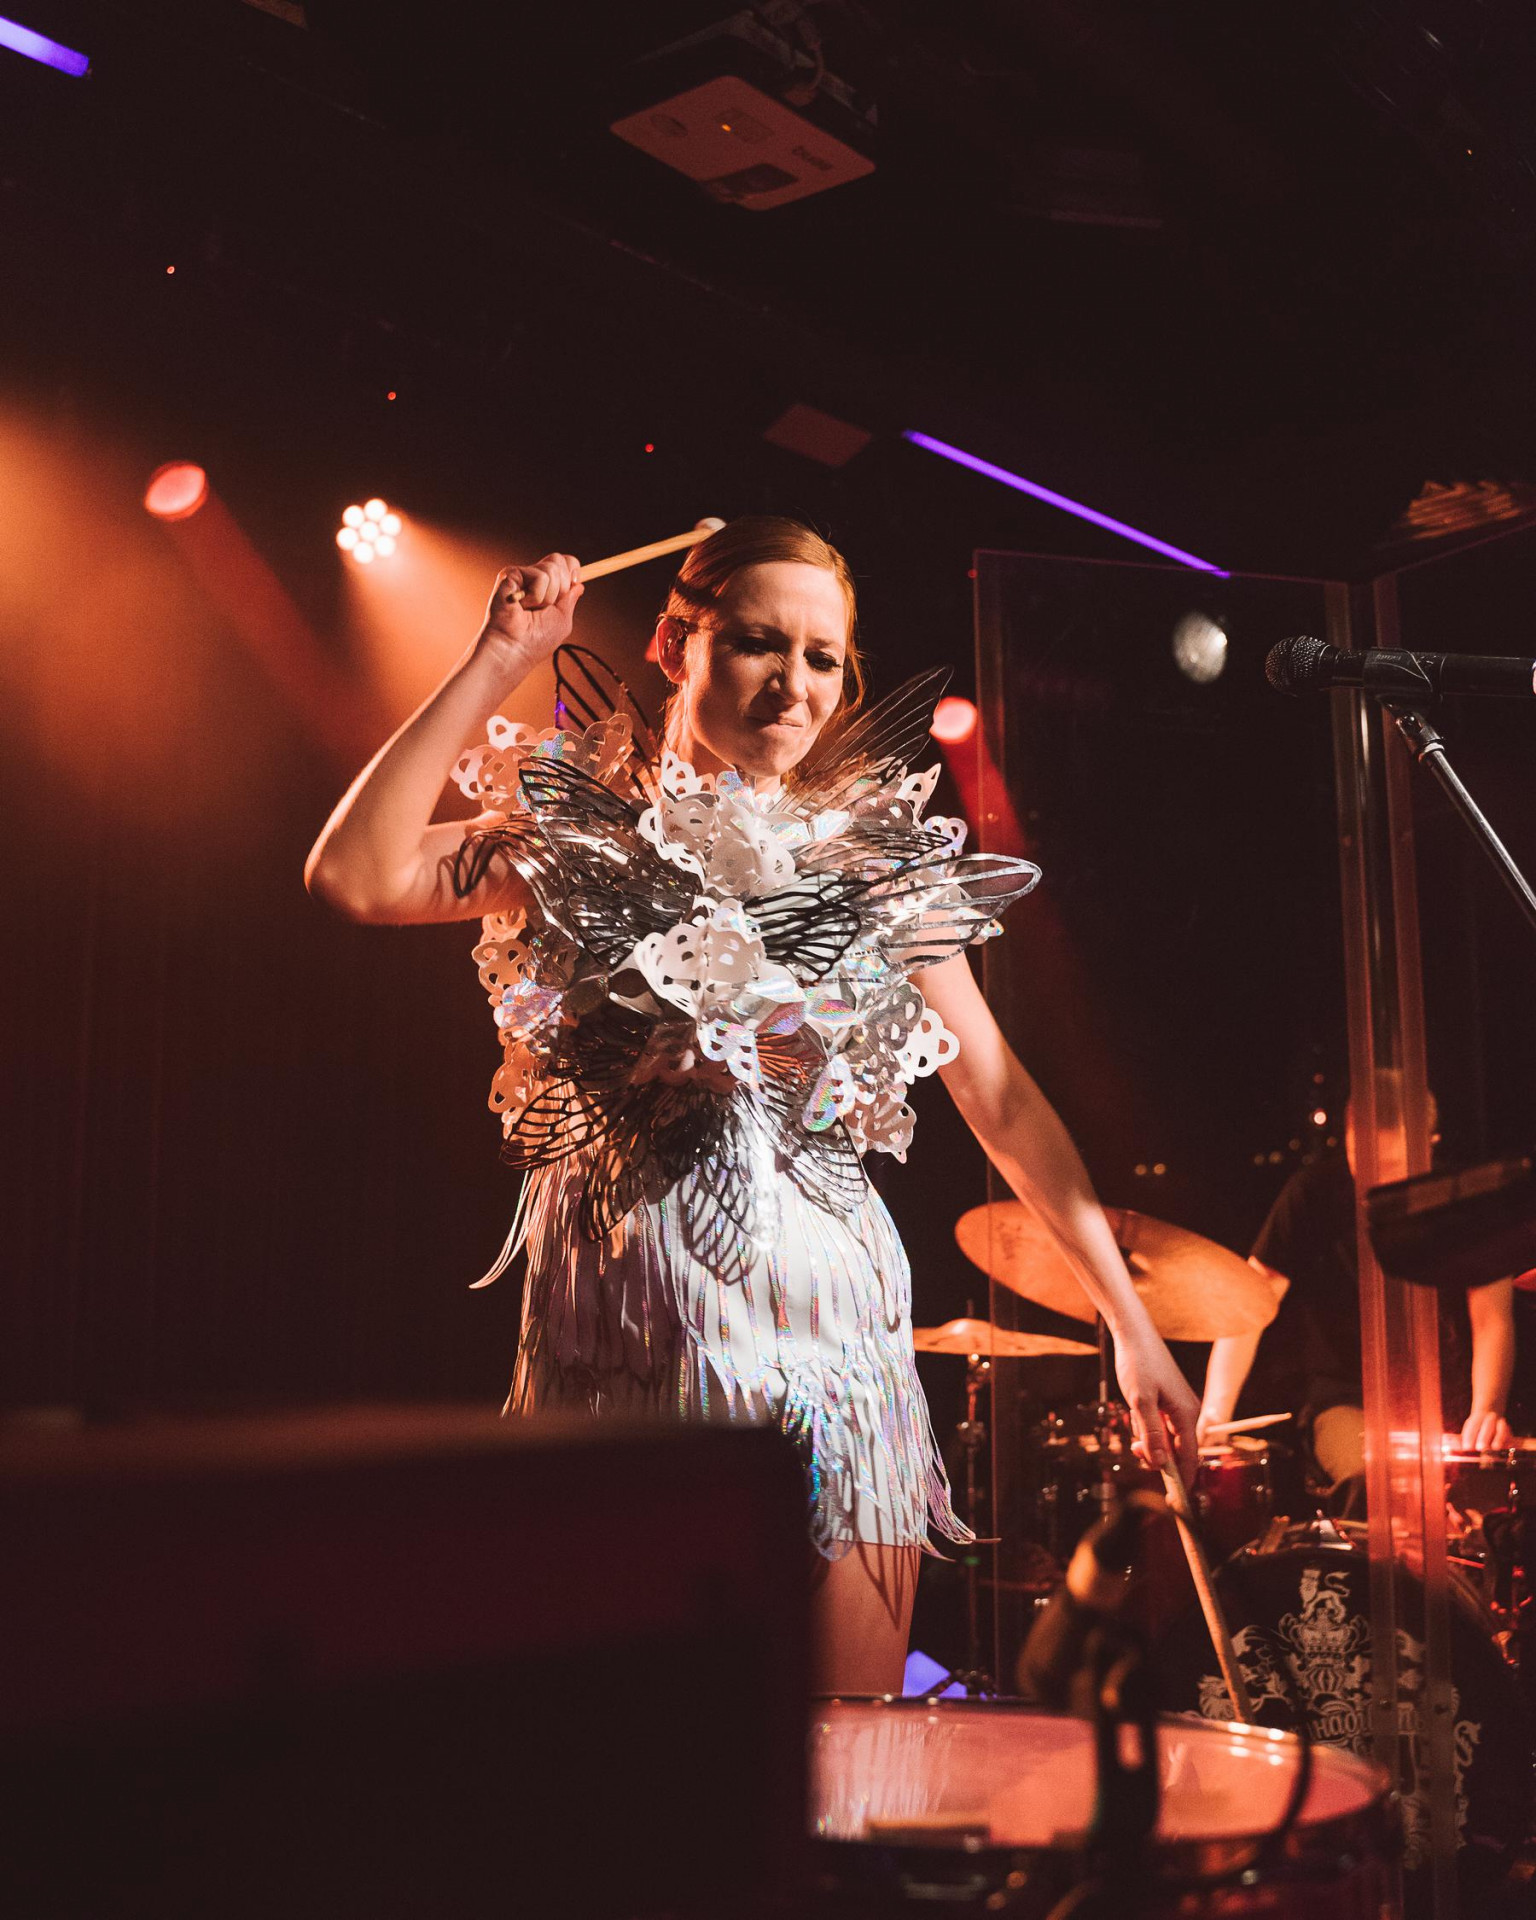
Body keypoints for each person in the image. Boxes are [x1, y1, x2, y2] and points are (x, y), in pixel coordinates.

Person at [306, 516, 1199, 1693]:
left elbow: (996, 1092)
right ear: (675, 643)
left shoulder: (874, 861)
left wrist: (1129, 1325)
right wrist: (501, 657)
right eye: (758, 644)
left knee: (842, 1750)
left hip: (832, 1336)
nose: (794, 682)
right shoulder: (577, 835)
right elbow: (356, 874)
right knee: (638, 1749)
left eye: (823, 657)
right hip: (624, 1336)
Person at [1199, 1095, 1516, 1492]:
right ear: (1347, 1140)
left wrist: (1487, 1408)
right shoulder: (1312, 1193)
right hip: (1344, 1402)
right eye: (1361, 1160)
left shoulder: (1464, 1198)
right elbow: (1249, 1305)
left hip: (1448, 1404)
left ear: (1429, 1143)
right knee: (1372, 1483)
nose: (1374, 1179)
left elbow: (1492, 1319)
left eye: (1392, 1163)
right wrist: (1214, 1413)